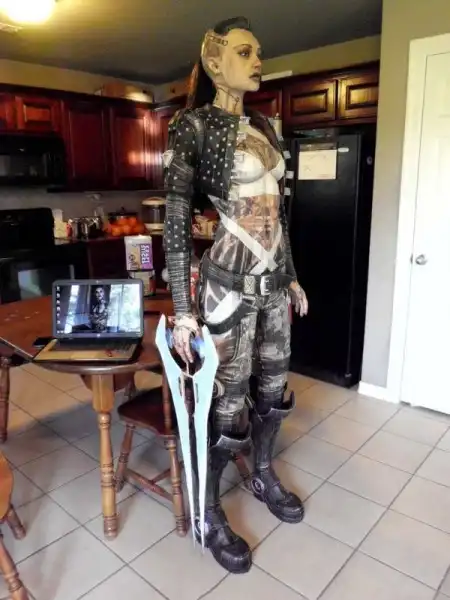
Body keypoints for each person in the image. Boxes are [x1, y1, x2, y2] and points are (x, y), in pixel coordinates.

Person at [163, 16, 308, 574]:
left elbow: (279, 215)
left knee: (273, 388)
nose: (257, 61)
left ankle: (263, 472)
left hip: (273, 283)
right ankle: (209, 511)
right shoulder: (193, 126)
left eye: (258, 52)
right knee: (226, 400)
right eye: (245, 52)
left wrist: (291, 275)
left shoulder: (266, 127)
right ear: (214, 61)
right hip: (225, 284)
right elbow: (176, 218)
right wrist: (182, 310)